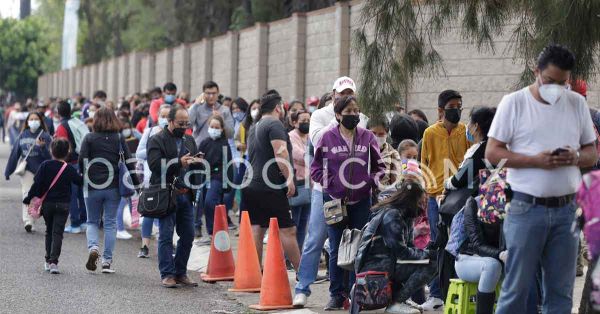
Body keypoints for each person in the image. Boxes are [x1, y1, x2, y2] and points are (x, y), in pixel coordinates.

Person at [486, 44, 598, 314]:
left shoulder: (576, 104)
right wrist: (537, 160)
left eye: (563, 82)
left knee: (560, 294)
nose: (556, 87)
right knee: (516, 291)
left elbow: (592, 153)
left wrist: (574, 157)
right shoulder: (514, 103)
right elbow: (493, 153)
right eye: (549, 81)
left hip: (566, 211)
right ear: (536, 72)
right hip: (526, 209)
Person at [294, 76, 368, 308]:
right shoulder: (319, 116)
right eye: (341, 93)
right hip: (325, 191)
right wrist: (339, 121)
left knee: (354, 241)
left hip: (355, 192)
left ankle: (347, 293)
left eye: (350, 93)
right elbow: (317, 141)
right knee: (317, 238)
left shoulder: (362, 117)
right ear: (333, 93)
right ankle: (302, 288)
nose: (345, 97)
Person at [311, 95, 385, 310]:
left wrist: (370, 182)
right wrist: (332, 184)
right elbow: (316, 169)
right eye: (348, 112)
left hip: (361, 201)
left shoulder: (367, 136)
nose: (353, 115)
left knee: (358, 247)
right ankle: (336, 294)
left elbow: (379, 167)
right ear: (338, 115)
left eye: (356, 111)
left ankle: (355, 292)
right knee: (335, 247)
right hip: (334, 201)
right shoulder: (326, 137)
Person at [419, 89, 471, 311]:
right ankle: (436, 293)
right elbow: (425, 164)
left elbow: (469, 161)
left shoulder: (465, 131)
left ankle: (460, 285)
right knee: (436, 242)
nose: (457, 111)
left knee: (460, 241)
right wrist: (426, 192)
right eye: (452, 108)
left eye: (459, 106)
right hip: (434, 195)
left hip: (459, 195)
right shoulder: (430, 133)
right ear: (440, 111)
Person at [355, 179, 437, 314]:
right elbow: (402, 253)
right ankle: (396, 303)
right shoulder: (392, 215)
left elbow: (409, 247)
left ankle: (401, 300)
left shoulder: (406, 215)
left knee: (431, 260)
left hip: (388, 262)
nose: (423, 206)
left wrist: (428, 251)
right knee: (432, 264)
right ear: (410, 200)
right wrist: (428, 254)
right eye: (420, 202)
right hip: (375, 266)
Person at [243, 90, 301, 270]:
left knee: (258, 228)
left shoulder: (255, 125)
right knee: (287, 230)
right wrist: (290, 179)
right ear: (278, 107)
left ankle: (255, 273)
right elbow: (280, 153)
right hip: (270, 185)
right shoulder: (274, 124)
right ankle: (303, 273)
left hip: (251, 184)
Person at [79, 107, 140, 274]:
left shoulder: (89, 138)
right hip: (113, 187)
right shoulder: (119, 138)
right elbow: (129, 162)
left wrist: (82, 179)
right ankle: (107, 261)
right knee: (110, 223)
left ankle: (93, 248)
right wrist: (137, 186)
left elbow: (81, 161)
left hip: (92, 186)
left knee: (92, 221)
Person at [147, 104, 202, 288]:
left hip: (186, 195)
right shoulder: (157, 139)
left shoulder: (189, 140)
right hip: (166, 194)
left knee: (188, 235)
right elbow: (155, 166)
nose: (184, 126)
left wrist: (197, 162)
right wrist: (178, 162)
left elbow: (193, 166)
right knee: (166, 235)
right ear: (170, 121)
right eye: (180, 123)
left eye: (187, 123)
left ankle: (180, 272)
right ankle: (167, 274)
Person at [23, 139, 83, 274]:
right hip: (63, 205)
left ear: (51, 150)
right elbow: (79, 181)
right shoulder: (68, 168)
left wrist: (28, 198)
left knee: (49, 231)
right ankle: (54, 263)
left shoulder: (45, 165)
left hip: (48, 205)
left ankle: (47, 260)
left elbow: (37, 184)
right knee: (58, 233)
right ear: (67, 152)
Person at [5, 112, 52, 232]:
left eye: (36, 119)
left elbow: (50, 157)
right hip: (27, 171)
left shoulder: (46, 136)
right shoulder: (22, 135)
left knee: (38, 197)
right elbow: (15, 154)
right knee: (27, 194)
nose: (34, 121)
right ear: (27, 122)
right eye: (31, 119)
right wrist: (8, 171)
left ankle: (33, 216)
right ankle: (28, 221)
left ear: (41, 122)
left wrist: (42, 148)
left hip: (42, 171)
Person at [135, 105, 170, 258]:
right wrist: (154, 150)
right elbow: (138, 153)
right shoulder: (149, 132)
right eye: (162, 116)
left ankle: (167, 245)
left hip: (169, 180)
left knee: (167, 213)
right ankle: (144, 246)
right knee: (149, 212)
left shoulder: (175, 136)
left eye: (168, 117)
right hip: (151, 179)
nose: (164, 119)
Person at [195, 115, 234, 245]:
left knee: (210, 202)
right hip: (205, 177)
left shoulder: (224, 144)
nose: (214, 129)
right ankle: (214, 232)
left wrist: (227, 184)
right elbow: (199, 160)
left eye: (217, 127)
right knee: (208, 205)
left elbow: (227, 165)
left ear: (222, 129)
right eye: (212, 127)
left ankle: (213, 232)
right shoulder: (205, 142)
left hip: (218, 178)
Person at [55, 100, 89, 234]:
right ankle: (84, 221)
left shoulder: (62, 126)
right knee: (82, 193)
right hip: (83, 161)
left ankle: (74, 224)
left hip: (71, 163)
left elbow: (63, 147)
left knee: (71, 194)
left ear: (58, 112)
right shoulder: (78, 122)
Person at [288, 110, 312, 250]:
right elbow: (299, 155)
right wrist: (313, 158)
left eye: (308, 120)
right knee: (294, 222)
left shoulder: (310, 136)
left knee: (304, 222)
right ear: (295, 122)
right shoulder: (291, 137)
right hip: (297, 184)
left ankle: (299, 253)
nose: (306, 123)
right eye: (303, 121)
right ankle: (289, 256)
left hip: (310, 184)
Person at [189, 81, 234, 147]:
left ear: (218, 93)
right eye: (208, 93)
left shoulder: (225, 110)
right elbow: (188, 125)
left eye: (214, 93)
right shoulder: (197, 108)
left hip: (220, 149)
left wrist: (221, 120)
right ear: (203, 94)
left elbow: (231, 134)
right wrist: (195, 105)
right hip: (199, 148)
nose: (211, 96)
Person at [368, 117, 401, 194]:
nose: (376, 137)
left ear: (387, 134)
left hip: (383, 198)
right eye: (373, 133)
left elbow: (396, 183)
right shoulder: (361, 151)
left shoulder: (393, 154)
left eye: (381, 134)